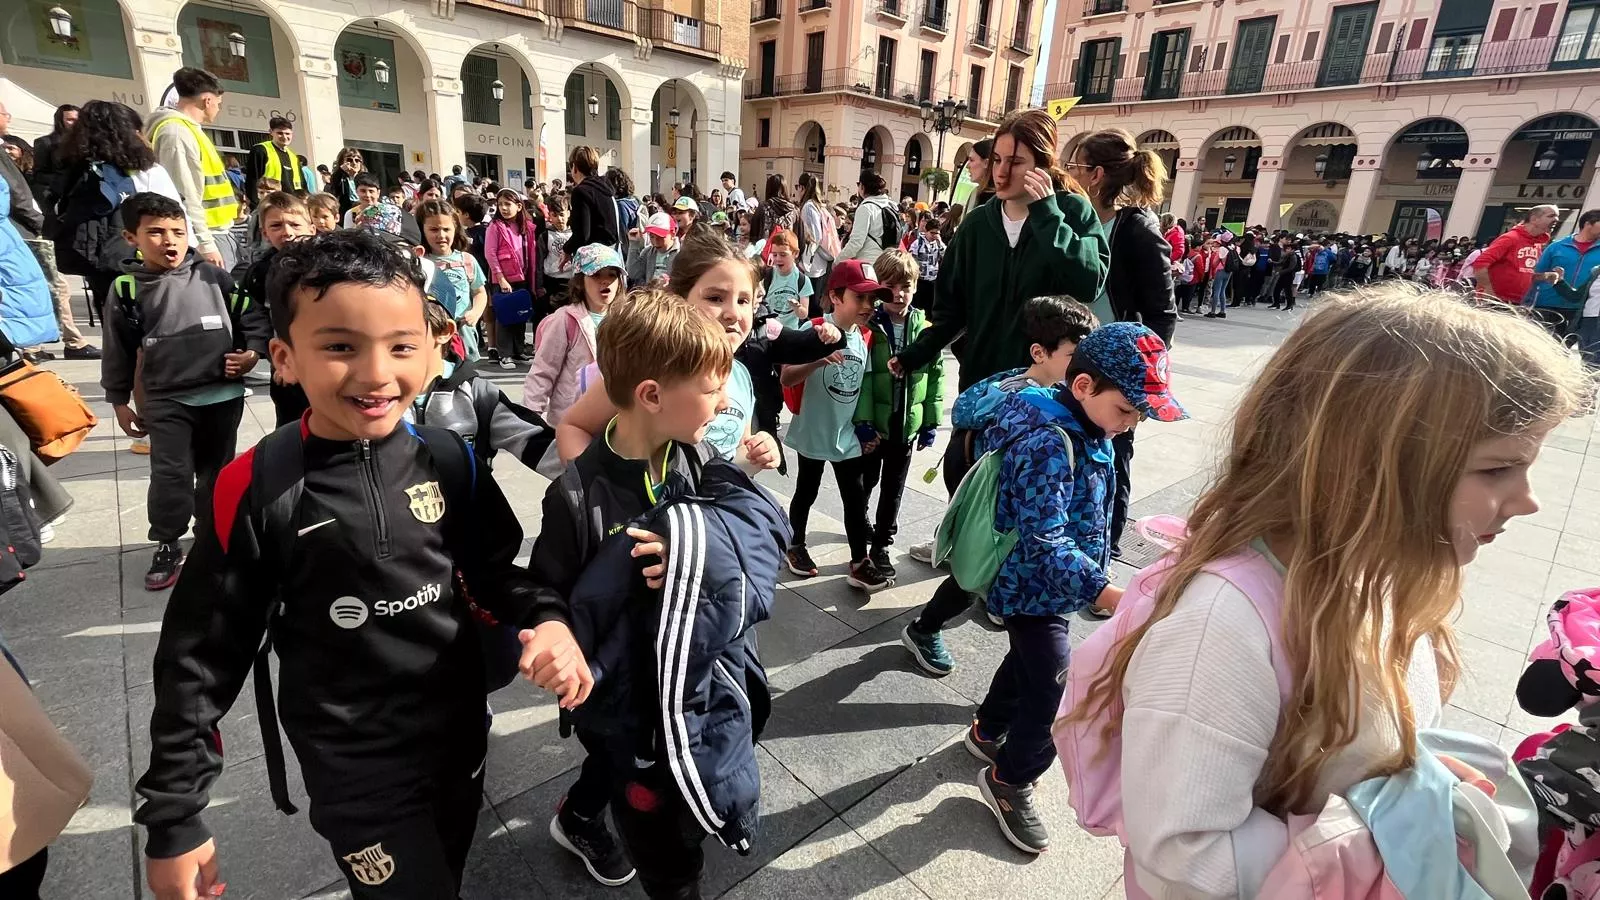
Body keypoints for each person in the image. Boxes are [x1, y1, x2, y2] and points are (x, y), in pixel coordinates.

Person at [1071, 287, 1586, 895]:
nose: (1529, 501)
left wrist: (1414, 785)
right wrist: (1390, 835)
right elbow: (1184, 857)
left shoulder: (1379, 580)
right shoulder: (1221, 629)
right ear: (1365, 464)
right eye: (1497, 469)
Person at [133, 229, 589, 900]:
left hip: (459, 736)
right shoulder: (256, 486)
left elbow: (497, 573)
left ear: (433, 351)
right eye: (341, 347)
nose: (377, 373)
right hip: (352, 765)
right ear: (285, 359)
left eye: (401, 347)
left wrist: (548, 620)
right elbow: (199, 657)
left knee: (446, 876)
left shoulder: (450, 458)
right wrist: (174, 815)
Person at [533, 288, 786, 896]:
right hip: (626, 707)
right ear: (651, 395)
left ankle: (579, 815)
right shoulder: (575, 497)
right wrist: (555, 641)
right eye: (710, 387)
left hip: (684, 683)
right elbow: (549, 592)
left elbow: (717, 526)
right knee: (664, 847)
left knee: (645, 786)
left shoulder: (690, 455)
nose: (724, 402)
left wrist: (722, 511)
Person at [901, 294, 1098, 630]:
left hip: (1003, 496)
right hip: (988, 490)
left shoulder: (1047, 391)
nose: (1083, 366)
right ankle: (925, 628)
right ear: (1039, 353)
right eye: (1073, 356)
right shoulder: (1023, 398)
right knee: (973, 572)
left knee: (980, 569)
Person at [101, 193, 266, 590]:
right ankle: (168, 542)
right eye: (155, 232)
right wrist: (119, 401)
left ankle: (211, 539)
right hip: (165, 399)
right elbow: (117, 347)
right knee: (171, 474)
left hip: (221, 398)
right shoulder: (125, 288)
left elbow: (253, 317)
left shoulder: (214, 276)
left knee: (216, 476)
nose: (169, 240)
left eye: (178, 231)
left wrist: (251, 354)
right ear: (131, 237)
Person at [893, 109, 1109, 394]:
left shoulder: (1071, 211)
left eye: (1016, 162)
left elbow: (1089, 283)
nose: (1002, 172)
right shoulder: (977, 225)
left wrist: (1047, 215)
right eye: (997, 160)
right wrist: (915, 354)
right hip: (982, 388)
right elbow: (951, 311)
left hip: (1046, 394)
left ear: (1043, 166)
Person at [553, 229, 798, 470]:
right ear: (678, 299)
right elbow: (574, 427)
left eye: (744, 300)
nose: (734, 313)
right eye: (715, 298)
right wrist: (596, 490)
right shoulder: (646, 366)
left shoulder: (741, 375)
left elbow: (738, 448)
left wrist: (759, 451)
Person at [782, 259, 891, 591]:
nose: (868, 306)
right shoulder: (812, 328)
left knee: (855, 499)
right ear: (836, 297)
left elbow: (867, 388)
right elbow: (787, 376)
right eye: (860, 298)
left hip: (847, 436)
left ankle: (859, 562)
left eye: (872, 299)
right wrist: (818, 359)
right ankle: (795, 544)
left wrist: (867, 426)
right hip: (814, 431)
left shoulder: (868, 337)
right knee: (807, 490)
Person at [856, 249, 942, 580]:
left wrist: (930, 420)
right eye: (890, 286)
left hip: (904, 426)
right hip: (873, 426)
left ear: (916, 287)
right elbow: (862, 377)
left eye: (905, 286)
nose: (898, 294)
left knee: (894, 488)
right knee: (865, 481)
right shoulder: (870, 326)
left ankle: (881, 545)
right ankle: (859, 524)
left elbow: (935, 376)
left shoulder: (926, 329)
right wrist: (862, 422)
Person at [234, 191, 314, 427]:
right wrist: (261, 352)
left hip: (324, 363)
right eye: (276, 225)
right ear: (265, 232)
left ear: (310, 227)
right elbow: (255, 316)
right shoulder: (260, 273)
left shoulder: (330, 264)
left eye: (294, 224)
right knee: (291, 427)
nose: (287, 232)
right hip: (284, 368)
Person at [146, 67, 239, 269]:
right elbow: (184, 195)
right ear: (208, 101)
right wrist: (206, 244)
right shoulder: (177, 133)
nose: (218, 109)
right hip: (206, 235)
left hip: (216, 231)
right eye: (219, 103)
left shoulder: (186, 130)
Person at [523, 244, 624, 425]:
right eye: (596, 275)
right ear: (580, 281)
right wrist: (531, 419)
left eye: (612, 275)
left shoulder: (625, 319)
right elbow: (543, 371)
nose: (605, 281)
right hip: (571, 422)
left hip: (613, 423)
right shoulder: (565, 320)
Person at [416, 198, 487, 362]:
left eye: (446, 229)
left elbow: (479, 292)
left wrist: (475, 313)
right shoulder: (419, 261)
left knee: (465, 377)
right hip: (431, 334)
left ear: (455, 229)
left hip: (463, 333)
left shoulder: (467, 260)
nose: (441, 235)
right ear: (422, 230)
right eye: (434, 229)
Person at [486, 187, 541, 368]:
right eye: (500, 204)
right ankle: (505, 354)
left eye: (507, 204)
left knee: (520, 316)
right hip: (504, 279)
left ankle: (518, 351)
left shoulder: (526, 226)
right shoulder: (495, 227)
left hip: (522, 277)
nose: (503, 208)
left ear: (519, 206)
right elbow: (490, 253)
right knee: (505, 317)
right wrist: (501, 278)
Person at [1530, 207, 1600, 343]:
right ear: (1588, 223)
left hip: (1578, 309)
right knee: (1537, 345)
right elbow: (1535, 273)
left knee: (1562, 349)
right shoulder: (1556, 247)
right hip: (1547, 304)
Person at [1476, 206, 1564, 307]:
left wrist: (1545, 276)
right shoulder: (1511, 238)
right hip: (1495, 301)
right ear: (1534, 219)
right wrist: (1488, 290)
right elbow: (1480, 263)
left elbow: (1524, 273)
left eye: (1557, 216)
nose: (1556, 220)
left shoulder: (1536, 244)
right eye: (1551, 216)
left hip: (1517, 303)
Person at [563, 146, 619, 256]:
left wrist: (567, 249)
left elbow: (582, 234)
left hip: (592, 259)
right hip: (611, 254)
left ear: (574, 167)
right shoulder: (606, 188)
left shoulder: (581, 191)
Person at [793, 172, 834, 315]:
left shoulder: (809, 207)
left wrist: (805, 260)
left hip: (813, 263)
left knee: (812, 305)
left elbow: (815, 236)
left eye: (798, 187)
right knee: (814, 304)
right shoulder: (818, 205)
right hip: (819, 261)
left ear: (802, 187)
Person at [839, 169, 899, 263]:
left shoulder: (866, 208)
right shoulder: (892, 205)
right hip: (887, 263)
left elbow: (856, 242)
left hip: (868, 264)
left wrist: (838, 262)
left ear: (862, 186)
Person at [29, 103, 78, 214]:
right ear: (60, 121)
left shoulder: (85, 143)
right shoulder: (45, 143)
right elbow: (39, 174)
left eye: (77, 120)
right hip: (57, 194)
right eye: (70, 120)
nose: (75, 123)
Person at [244, 116, 307, 202]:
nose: (284, 137)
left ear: (292, 133)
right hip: (270, 205)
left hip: (290, 206)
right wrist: (255, 205)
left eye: (287, 133)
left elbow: (302, 185)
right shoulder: (261, 150)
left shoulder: (293, 156)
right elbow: (252, 181)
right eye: (280, 133)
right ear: (271, 132)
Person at [762, 229, 812, 329]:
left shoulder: (802, 281)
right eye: (774, 254)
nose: (778, 259)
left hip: (790, 332)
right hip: (767, 331)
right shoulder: (767, 275)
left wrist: (797, 307)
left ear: (796, 253)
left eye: (783, 255)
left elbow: (804, 314)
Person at [626, 211, 678, 287]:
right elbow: (634, 273)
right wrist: (634, 244)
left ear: (673, 234)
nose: (656, 242)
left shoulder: (680, 253)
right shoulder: (648, 252)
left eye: (660, 237)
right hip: (651, 295)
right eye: (652, 237)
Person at [907, 216, 945, 312]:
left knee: (929, 307)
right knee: (918, 305)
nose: (934, 236)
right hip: (920, 280)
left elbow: (946, 255)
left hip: (932, 280)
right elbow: (911, 260)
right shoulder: (917, 243)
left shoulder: (938, 244)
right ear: (926, 231)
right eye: (932, 233)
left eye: (937, 233)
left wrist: (940, 242)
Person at [750, 173, 797, 248]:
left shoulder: (762, 207)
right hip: (787, 252)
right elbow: (799, 237)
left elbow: (753, 234)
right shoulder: (794, 210)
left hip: (765, 253)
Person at [1268, 234, 1302, 310]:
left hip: (1289, 275)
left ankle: (1289, 305)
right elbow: (1281, 263)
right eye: (1286, 249)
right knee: (1277, 289)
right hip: (1283, 275)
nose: (1286, 250)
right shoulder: (1287, 255)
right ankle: (1276, 303)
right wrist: (1273, 262)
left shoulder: (1293, 256)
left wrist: (1280, 272)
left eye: (1288, 249)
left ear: (1292, 250)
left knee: (1287, 290)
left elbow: (1291, 268)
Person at [329, 147, 364, 217]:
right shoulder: (340, 177)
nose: (354, 163)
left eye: (357, 160)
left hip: (362, 209)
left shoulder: (364, 176)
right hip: (346, 210)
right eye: (349, 160)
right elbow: (335, 184)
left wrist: (355, 176)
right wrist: (341, 170)